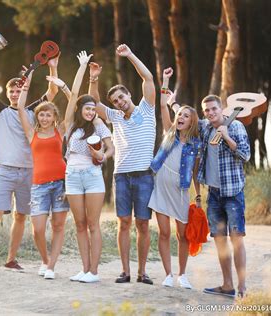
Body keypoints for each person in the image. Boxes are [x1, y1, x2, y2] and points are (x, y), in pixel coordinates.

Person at [0, 51, 60, 275]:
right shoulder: (0, 110)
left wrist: (53, 66)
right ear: (8, 93)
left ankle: (11, 260)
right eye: (11, 91)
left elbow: (53, 90)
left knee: (21, 216)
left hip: (30, 172)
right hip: (5, 171)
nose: (14, 94)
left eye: (18, 90)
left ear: (24, 92)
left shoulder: (33, 111)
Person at [46, 52, 115, 283]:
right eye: (87, 108)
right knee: (80, 224)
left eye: (93, 109)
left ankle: (94, 272)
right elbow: (74, 93)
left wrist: (102, 156)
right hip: (72, 176)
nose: (90, 111)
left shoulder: (98, 126)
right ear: (79, 109)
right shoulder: (71, 125)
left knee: (93, 224)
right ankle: (85, 269)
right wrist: (82, 67)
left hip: (93, 175)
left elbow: (111, 148)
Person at [91, 44, 156, 285]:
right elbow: (94, 101)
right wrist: (94, 78)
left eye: (121, 97)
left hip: (144, 175)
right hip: (121, 175)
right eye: (116, 100)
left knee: (142, 224)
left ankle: (142, 272)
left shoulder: (147, 109)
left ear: (129, 95)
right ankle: (125, 272)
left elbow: (148, 78)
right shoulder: (115, 116)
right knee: (124, 223)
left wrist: (130, 55)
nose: (119, 102)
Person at [148, 68, 201, 289]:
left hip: (180, 189)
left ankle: (182, 274)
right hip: (161, 186)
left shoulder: (195, 144)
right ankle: (168, 274)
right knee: (164, 232)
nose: (180, 118)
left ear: (192, 122)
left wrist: (198, 196)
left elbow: (196, 173)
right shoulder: (169, 132)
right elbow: (163, 105)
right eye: (180, 115)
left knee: (182, 234)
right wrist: (166, 80)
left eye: (185, 116)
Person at [16, 66, 70, 280]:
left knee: (58, 226)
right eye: (42, 115)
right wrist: (26, 80)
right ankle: (45, 260)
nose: (45, 118)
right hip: (38, 185)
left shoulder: (60, 131)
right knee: (37, 229)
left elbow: (74, 103)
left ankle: (51, 267)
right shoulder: (32, 133)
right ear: (38, 117)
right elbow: (21, 108)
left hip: (60, 183)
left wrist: (61, 84)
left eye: (48, 114)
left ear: (54, 116)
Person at [196, 94, 251, 298]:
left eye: (213, 109)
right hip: (214, 194)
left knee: (237, 239)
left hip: (233, 193)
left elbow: (245, 155)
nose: (210, 113)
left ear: (221, 109)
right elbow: (185, 117)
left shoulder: (235, 127)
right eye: (207, 110)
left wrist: (226, 136)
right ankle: (227, 286)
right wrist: (168, 96)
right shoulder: (205, 128)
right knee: (220, 240)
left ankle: (242, 288)